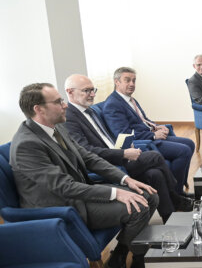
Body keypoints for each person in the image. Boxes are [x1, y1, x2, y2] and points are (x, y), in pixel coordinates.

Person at [10, 83, 159, 268]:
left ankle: (120, 259)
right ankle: (121, 259)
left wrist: (125, 180)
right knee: (139, 207)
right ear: (39, 109)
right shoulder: (27, 145)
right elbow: (65, 187)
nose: (65, 105)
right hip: (61, 207)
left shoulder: (56, 127)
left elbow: (88, 157)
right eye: (58, 102)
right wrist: (116, 193)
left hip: (77, 193)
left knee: (150, 195)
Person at [63, 74, 193, 223]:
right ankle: (176, 197)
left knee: (155, 174)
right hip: (106, 163)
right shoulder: (69, 117)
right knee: (155, 156)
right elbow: (87, 151)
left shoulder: (90, 111)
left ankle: (169, 219)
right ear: (70, 92)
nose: (92, 94)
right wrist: (123, 153)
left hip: (117, 153)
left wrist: (125, 145)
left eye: (93, 90)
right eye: (86, 90)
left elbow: (107, 138)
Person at [103, 67, 195, 193]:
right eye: (127, 80)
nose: (132, 84)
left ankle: (181, 183)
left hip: (148, 134)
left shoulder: (130, 99)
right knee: (183, 151)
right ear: (116, 82)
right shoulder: (113, 104)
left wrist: (156, 126)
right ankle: (176, 193)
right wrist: (153, 136)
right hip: (141, 143)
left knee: (190, 143)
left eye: (134, 80)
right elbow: (124, 135)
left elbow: (143, 120)